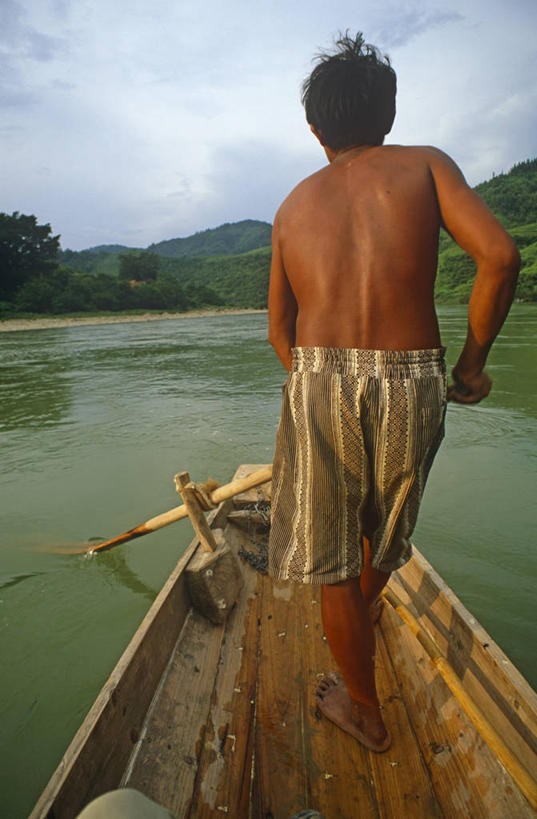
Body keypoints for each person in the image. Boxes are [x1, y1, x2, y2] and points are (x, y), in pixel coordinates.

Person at [267, 32, 520, 753]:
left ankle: (361, 707)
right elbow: (499, 257)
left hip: (316, 375)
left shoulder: (291, 206)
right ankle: (363, 610)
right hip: (412, 373)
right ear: (388, 114)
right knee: (388, 524)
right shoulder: (425, 165)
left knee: (332, 560)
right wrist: (470, 365)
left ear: (315, 130)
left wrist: (312, 387)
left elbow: (278, 329)